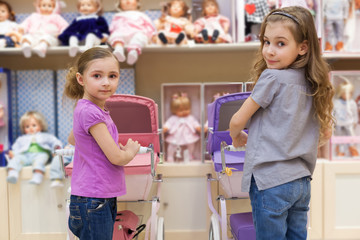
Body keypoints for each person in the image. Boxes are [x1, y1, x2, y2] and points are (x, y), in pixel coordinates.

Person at [229, 6, 334, 239]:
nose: (269, 51)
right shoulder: (313, 84)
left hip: (271, 182)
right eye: (266, 42)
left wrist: (237, 137)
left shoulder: (272, 77)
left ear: (303, 47)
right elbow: (324, 134)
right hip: (301, 183)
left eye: (280, 43)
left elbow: (237, 120)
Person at [63, 47, 140, 239]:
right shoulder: (91, 112)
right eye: (97, 76)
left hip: (94, 196)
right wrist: (131, 151)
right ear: (81, 79)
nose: (106, 82)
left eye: (112, 76)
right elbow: (116, 158)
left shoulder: (87, 108)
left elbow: (73, 138)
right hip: (94, 198)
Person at [6, 111, 63, 184]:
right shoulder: (22, 138)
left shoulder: (45, 136)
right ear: (23, 128)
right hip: (25, 156)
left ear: (41, 126)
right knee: (15, 160)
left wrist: (56, 147)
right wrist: (13, 153)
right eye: (27, 126)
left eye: (34, 125)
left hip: (40, 154)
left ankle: (38, 176)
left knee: (39, 161)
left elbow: (55, 141)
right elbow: (16, 147)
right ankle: (13, 174)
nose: (31, 128)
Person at [108, 0, 156, 65]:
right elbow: (112, 28)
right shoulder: (118, 16)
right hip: (121, 32)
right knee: (115, 35)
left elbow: (149, 26)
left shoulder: (141, 15)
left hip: (137, 32)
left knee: (140, 37)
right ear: (119, 3)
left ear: (137, 2)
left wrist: (151, 36)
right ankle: (118, 49)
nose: (127, 0)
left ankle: (133, 51)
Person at [163, 92, 201, 162]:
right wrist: (165, 128)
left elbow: (195, 123)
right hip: (176, 135)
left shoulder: (190, 117)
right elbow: (168, 123)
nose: (184, 112)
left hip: (188, 135)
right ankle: (170, 156)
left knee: (191, 144)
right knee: (172, 145)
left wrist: (198, 127)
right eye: (180, 110)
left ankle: (190, 154)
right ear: (174, 110)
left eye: (186, 109)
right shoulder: (173, 118)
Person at [333, 79, 359, 157]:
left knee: (351, 137)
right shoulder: (336, 102)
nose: (349, 95)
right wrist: (333, 123)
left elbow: (355, 114)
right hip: (339, 125)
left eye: (351, 93)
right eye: (346, 93)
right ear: (341, 93)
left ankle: (353, 149)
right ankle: (340, 151)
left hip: (349, 123)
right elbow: (333, 113)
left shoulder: (352, 103)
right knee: (340, 138)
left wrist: (355, 121)